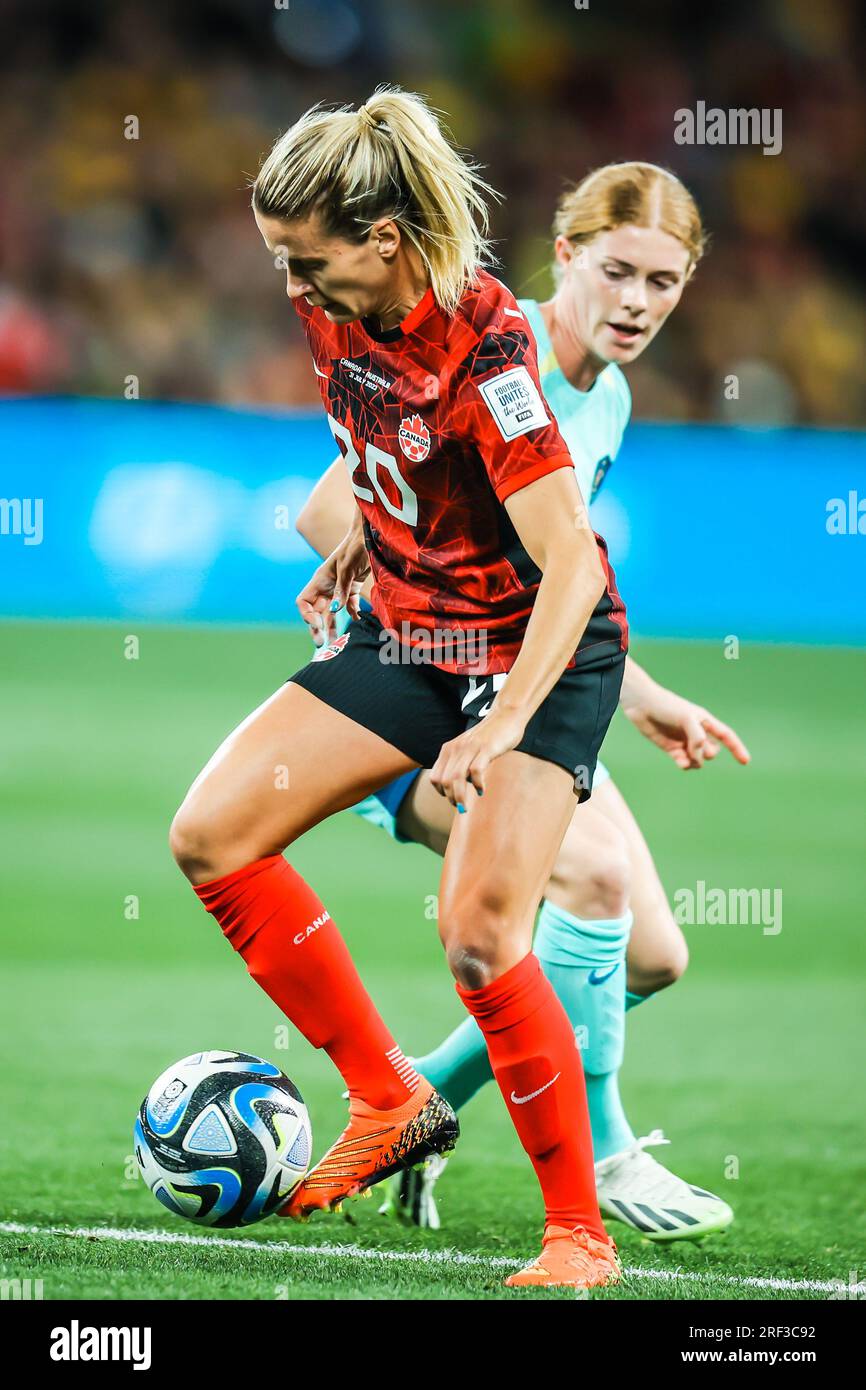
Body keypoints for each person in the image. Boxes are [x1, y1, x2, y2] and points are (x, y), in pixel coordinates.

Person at [170, 88, 631, 1289]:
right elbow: (397, 453)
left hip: (537, 647)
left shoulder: (489, 352)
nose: (290, 288)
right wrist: (370, 534)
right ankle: (390, 1100)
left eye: (305, 261)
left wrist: (506, 727)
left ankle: (577, 1238)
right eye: (278, 262)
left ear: (382, 239)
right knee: (214, 836)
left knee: (479, 933)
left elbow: (570, 562)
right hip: (414, 629)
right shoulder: (337, 312)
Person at [296, 161, 749, 1240]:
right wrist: (433, 626)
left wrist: (636, 695)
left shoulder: (613, 395)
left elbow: (551, 582)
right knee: (590, 878)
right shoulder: (511, 352)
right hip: (425, 698)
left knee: (651, 957)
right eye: (617, 270)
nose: (637, 301)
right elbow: (324, 511)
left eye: (663, 281)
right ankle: (605, 1159)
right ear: (568, 256)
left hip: (523, 703)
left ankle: (420, 1109)